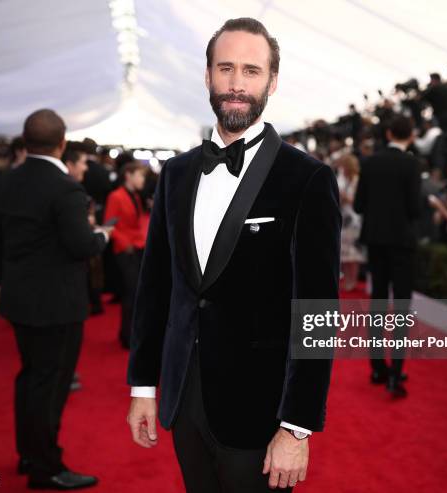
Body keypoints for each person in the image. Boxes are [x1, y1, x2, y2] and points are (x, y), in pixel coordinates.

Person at [126, 17, 341, 492]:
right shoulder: (177, 174)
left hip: (260, 411)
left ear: (272, 82)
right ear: (207, 76)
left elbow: (319, 313)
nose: (236, 84)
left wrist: (297, 426)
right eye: (225, 69)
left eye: (251, 71)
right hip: (184, 400)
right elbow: (156, 285)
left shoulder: (306, 178)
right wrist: (143, 387)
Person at [0, 109, 111, 490]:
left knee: (29, 378)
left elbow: (0, 238)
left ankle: (29, 454)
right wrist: (102, 237)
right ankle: (46, 466)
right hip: (56, 305)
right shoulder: (65, 189)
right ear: (62, 144)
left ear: (25, 142)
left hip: (19, 298)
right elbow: (80, 245)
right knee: (50, 385)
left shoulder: (9, 181)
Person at [354, 115, 421, 398]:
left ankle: (378, 367)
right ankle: (395, 374)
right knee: (401, 307)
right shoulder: (412, 164)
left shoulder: (370, 162)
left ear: (389, 132)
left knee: (378, 303)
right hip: (402, 244)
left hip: (375, 241)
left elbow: (358, 205)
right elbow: (415, 209)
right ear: (411, 134)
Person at [104, 161, 150, 348]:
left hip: (138, 247)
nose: (143, 180)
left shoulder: (135, 196)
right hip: (125, 251)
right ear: (128, 175)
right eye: (140, 175)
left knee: (136, 294)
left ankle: (132, 334)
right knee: (131, 294)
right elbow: (109, 225)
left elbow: (136, 223)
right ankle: (127, 337)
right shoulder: (116, 197)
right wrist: (127, 244)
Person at [337, 154, 365, 290]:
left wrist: (344, 197)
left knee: (353, 253)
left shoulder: (357, 181)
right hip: (344, 218)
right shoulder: (346, 180)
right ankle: (347, 279)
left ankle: (352, 280)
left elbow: (358, 201)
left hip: (354, 220)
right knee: (345, 252)